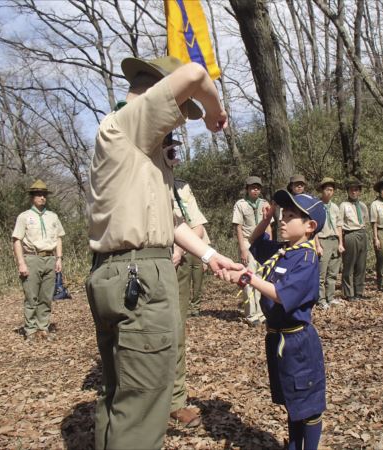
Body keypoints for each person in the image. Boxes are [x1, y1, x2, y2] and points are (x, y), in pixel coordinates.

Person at [86, 55, 240, 450]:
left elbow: (168, 221)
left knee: (121, 397)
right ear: (154, 95)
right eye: (177, 111)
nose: (176, 123)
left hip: (121, 271)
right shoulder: (129, 125)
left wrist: (208, 255)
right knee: (143, 410)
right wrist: (214, 111)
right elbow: (195, 73)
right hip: (139, 276)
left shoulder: (141, 153)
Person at [222, 190, 327, 450]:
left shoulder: (306, 258)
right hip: (278, 338)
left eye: (290, 216)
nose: (282, 219)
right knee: (293, 402)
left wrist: (249, 278)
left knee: (309, 405)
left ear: (309, 227)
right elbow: (252, 242)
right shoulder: (283, 250)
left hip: (298, 342)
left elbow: (281, 295)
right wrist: (266, 219)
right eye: (283, 214)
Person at [171, 174, 209, 428]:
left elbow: (195, 223)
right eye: (167, 146)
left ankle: (174, 402)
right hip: (144, 264)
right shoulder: (139, 177)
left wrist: (180, 249)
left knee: (176, 331)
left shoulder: (181, 187)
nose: (173, 152)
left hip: (179, 261)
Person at [11, 180, 64, 342]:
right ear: (32, 197)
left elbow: (59, 238)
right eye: (39, 195)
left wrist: (58, 258)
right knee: (31, 296)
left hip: (49, 258)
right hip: (31, 258)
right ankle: (31, 330)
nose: (42, 198)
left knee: (46, 296)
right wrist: (21, 263)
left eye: (44, 195)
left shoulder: (52, 216)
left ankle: (43, 328)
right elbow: (16, 240)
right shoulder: (24, 217)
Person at [232, 176, 272, 326]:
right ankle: (251, 314)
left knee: (261, 278)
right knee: (248, 278)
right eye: (252, 187)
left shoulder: (265, 204)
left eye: (258, 187)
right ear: (247, 189)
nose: (255, 190)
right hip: (248, 243)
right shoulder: (240, 204)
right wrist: (243, 248)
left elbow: (268, 225)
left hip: (262, 244)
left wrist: (270, 245)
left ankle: (261, 313)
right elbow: (238, 227)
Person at [315, 177, 343, 308]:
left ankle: (330, 298)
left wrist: (340, 243)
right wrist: (317, 245)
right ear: (322, 190)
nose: (329, 192)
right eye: (327, 189)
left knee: (333, 273)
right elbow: (313, 228)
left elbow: (339, 226)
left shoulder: (335, 207)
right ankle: (321, 300)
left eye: (332, 190)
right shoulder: (317, 206)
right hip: (323, 240)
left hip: (334, 241)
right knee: (321, 274)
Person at [339, 177, 369, 300]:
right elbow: (339, 224)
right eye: (351, 190)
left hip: (362, 233)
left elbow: (365, 220)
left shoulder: (362, 205)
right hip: (350, 234)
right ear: (348, 191)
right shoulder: (343, 205)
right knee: (349, 265)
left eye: (356, 190)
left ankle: (359, 291)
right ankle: (348, 292)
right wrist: (341, 241)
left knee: (361, 265)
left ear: (359, 191)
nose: (354, 192)